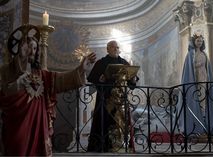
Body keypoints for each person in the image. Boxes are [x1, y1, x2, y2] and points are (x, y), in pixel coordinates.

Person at [0, 24, 96, 156]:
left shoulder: (41, 74)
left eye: (35, 48)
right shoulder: (6, 70)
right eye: (29, 47)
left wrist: (80, 69)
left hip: (38, 123)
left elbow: (62, 80)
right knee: (17, 147)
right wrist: (20, 64)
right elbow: (5, 92)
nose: (32, 51)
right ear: (20, 48)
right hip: (16, 122)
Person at [87, 40, 138, 152]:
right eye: (113, 47)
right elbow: (91, 78)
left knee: (122, 121)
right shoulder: (101, 62)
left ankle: (124, 145)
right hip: (105, 98)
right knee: (104, 121)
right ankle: (103, 146)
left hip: (122, 98)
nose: (116, 49)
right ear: (107, 49)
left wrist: (133, 79)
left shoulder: (124, 62)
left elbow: (132, 82)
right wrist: (99, 79)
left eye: (117, 47)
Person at [176, 34, 213, 137]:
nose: (199, 43)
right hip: (194, 80)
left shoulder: (204, 54)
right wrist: (197, 66)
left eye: (201, 41)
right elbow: (189, 69)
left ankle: (205, 124)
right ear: (194, 42)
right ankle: (197, 125)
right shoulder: (190, 54)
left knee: (204, 101)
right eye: (198, 41)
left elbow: (208, 68)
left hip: (204, 79)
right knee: (196, 100)